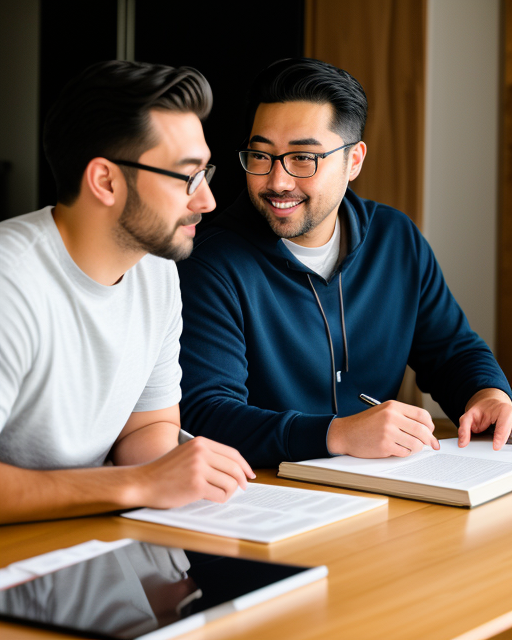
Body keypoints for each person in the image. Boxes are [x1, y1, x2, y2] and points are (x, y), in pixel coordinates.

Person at [177, 57, 512, 468]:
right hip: (265, 491)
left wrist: (488, 394)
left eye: (303, 158)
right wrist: (338, 434)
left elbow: (452, 350)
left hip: (384, 488)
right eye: (261, 156)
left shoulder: (395, 237)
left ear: (354, 161)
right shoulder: (210, 262)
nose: (277, 181)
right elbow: (205, 414)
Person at [0, 60, 254, 525]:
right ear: (106, 181)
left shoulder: (155, 270)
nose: (207, 201)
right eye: (186, 177)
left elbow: (147, 425)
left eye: (206, 174)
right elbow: (139, 479)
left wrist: (180, 477)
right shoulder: (9, 281)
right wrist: (142, 484)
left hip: (86, 537)